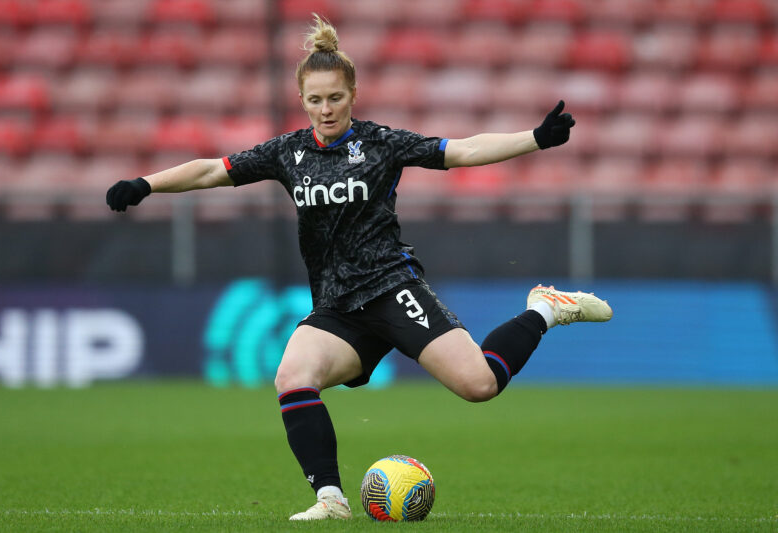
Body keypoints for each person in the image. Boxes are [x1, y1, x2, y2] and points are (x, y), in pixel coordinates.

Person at [106, 14, 612, 521]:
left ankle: (544, 309)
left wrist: (536, 137)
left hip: (392, 289)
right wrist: (146, 184)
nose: (325, 110)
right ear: (302, 100)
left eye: (335, 98)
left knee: (479, 385)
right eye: (314, 100)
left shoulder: (380, 144)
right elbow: (212, 169)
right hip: (337, 308)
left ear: (353, 94)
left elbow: (462, 150)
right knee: (292, 375)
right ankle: (331, 499)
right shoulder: (288, 152)